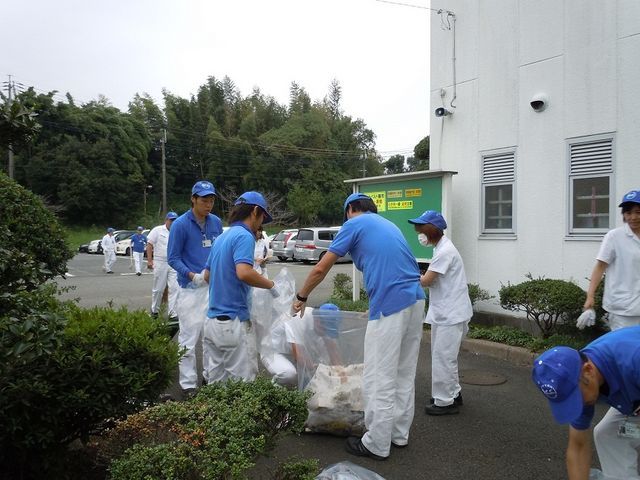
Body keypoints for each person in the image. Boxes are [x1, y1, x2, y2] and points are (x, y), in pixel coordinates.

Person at [292, 192, 426, 461]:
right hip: (415, 300)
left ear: (351, 209)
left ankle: (376, 443)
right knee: (403, 371)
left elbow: (321, 267)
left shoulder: (354, 223)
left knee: (378, 375)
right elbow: (396, 266)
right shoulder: (388, 224)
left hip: (392, 302)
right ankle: (398, 434)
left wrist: (301, 296)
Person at [532, 326, 640, 480]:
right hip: (634, 400)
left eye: (576, 396)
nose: (578, 404)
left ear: (588, 370)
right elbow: (578, 446)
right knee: (609, 434)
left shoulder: (633, 359)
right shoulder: (576, 379)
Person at [203, 191, 279, 383]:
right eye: (262, 217)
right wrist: (271, 285)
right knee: (243, 386)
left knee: (217, 385)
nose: (261, 223)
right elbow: (244, 272)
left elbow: (207, 276)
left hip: (212, 323)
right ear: (255, 211)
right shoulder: (244, 236)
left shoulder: (221, 237)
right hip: (234, 322)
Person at [409, 210, 472, 416]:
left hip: (450, 314)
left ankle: (444, 402)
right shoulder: (442, 248)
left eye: (421, 228)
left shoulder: (445, 251)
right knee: (447, 357)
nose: (419, 233)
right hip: (450, 312)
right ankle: (453, 393)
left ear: (432, 230)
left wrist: (406, 276)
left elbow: (427, 280)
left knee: (442, 357)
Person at [168, 180, 223, 398]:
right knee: (189, 339)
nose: (208, 205)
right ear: (193, 199)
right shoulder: (180, 224)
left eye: (211, 200)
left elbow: (218, 250)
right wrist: (192, 275)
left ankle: (209, 376)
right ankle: (188, 384)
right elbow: (173, 258)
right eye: (204, 200)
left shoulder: (216, 222)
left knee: (211, 336)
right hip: (190, 288)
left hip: (212, 288)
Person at [583, 189, 640, 331]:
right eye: (628, 213)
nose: (633, 217)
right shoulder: (614, 237)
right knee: (625, 348)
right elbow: (600, 267)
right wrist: (590, 296)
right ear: (624, 215)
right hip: (622, 308)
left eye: (638, 212)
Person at [262, 303, 342, 387]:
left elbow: (333, 350)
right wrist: (319, 372)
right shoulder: (300, 316)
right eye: (325, 329)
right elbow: (298, 354)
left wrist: (341, 374)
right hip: (273, 351)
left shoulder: (321, 321)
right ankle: (272, 389)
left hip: (293, 352)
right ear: (318, 320)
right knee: (289, 374)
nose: (326, 333)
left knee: (316, 370)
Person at [147, 212, 179, 320]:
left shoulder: (178, 231)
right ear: (166, 220)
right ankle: (155, 310)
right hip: (160, 262)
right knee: (159, 289)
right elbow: (149, 245)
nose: (172, 222)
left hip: (174, 262)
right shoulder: (157, 230)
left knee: (175, 288)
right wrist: (150, 261)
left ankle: (173, 313)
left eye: (175, 220)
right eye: (171, 220)